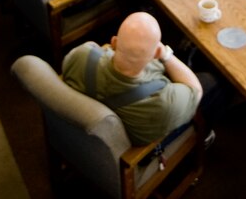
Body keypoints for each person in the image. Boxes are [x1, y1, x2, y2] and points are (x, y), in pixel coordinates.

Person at [62, 12, 204, 145]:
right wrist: (166, 55)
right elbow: (196, 91)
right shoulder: (163, 102)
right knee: (212, 83)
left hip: (81, 137)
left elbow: (93, 50)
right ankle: (205, 136)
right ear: (156, 53)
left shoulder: (80, 56)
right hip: (136, 151)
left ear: (114, 42)